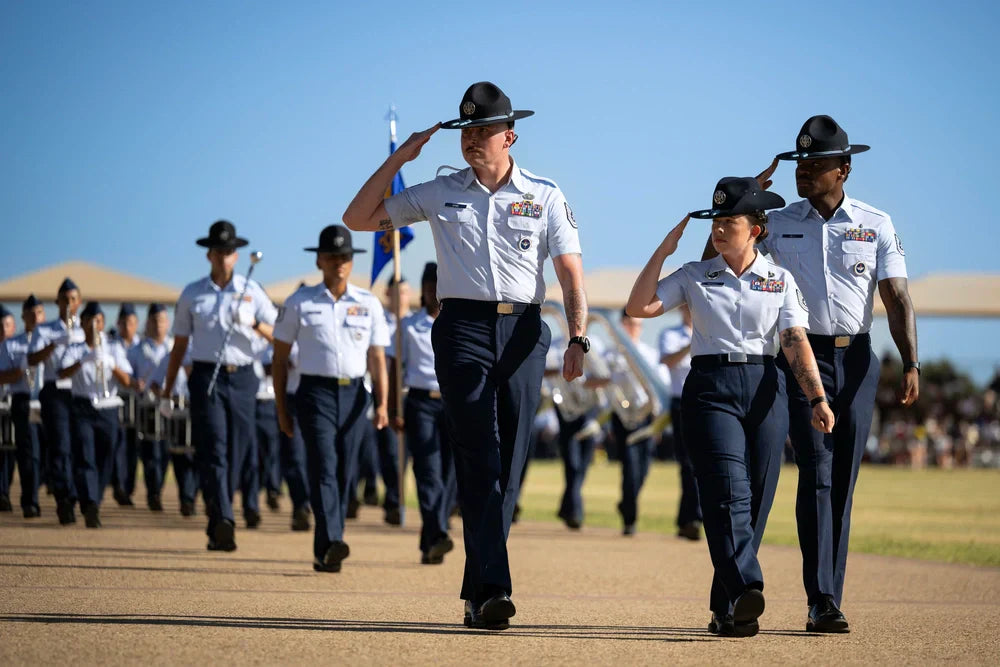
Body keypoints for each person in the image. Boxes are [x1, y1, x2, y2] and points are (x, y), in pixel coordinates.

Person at [343, 81, 587, 630]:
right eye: (466, 131)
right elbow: (358, 219)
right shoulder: (438, 191)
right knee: (479, 455)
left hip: (525, 330)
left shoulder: (546, 194)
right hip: (462, 331)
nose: (472, 139)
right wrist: (402, 158)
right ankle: (495, 587)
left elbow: (570, 272)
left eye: (483, 131)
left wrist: (577, 337)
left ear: (510, 136)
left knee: (510, 463)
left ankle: (478, 585)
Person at [626, 176, 834, 637]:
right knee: (727, 493)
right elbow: (639, 306)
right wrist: (662, 251)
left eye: (729, 221)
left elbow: (794, 339)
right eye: (716, 221)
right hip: (710, 388)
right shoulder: (697, 275)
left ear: (755, 229)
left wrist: (817, 397)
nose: (719, 229)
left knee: (757, 497)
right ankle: (746, 586)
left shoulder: (780, 279)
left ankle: (728, 606)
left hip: (765, 384)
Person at [760, 116, 919, 632]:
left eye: (815, 165)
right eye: (799, 164)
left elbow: (896, 297)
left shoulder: (877, 223)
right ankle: (821, 599)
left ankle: (829, 594)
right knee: (817, 472)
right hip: (799, 359)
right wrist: (743, 200)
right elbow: (724, 260)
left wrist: (911, 361)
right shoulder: (779, 220)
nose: (803, 173)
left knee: (842, 479)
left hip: (857, 361)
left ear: (843, 169)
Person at [273, 225, 390, 573]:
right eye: (332, 257)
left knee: (343, 473)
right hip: (314, 394)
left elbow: (378, 359)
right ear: (320, 260)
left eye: (345, 257)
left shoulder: (368, 304)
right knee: (323, 466)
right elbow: (279, 360)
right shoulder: (299, 302)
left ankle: (324, 549)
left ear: (351, 262)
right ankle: (334, 538)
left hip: (355, 394)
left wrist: (383, 403)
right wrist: (282, 408)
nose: (339, 263)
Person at [161, 220, 277, 552]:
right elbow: (179, 346)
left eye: (230, 252)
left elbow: (279, 333)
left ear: (237, 257)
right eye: (219, 252)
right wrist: (168, 390)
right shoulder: (192, 294)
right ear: (209, 255)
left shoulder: (252, 291)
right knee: (214, 448)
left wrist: (253, 323)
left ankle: (217, 523)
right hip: (205, 375)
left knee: (237, 453)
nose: (224, 258)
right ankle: (225, 517)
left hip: (243, 378)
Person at [395, 262, 456, 564]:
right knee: (428, 472)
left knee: (450, 474)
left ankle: (431, 537)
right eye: (428, 287)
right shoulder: (408, 326)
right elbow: (396, 369)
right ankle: (438, 532)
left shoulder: (457, 324)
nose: (433, 293)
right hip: (420, 402)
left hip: (453, 401)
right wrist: (394, 407)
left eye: (437, 287)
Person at [59, 301, 134, 528]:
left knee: (106, 456)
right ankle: (90, 504)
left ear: (103, 323)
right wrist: (83, 360)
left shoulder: (114, 348)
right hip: (83, 407)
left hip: (108, 407)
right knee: (85, 455)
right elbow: (61, 372)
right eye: (89, 320)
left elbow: (128, 380)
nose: (94, 325)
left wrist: (111, 365)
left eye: (98, 320)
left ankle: (92, 497)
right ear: (81, 323)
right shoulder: (74, 348)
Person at [608, 309, 668, 536]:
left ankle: (626, 503)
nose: (635, 329)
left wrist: (659, 420)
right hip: (623, 416)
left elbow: (660, 386)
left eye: (638, 325)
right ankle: (630, 519)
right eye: (631, 324)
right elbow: (595, 379)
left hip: (647, 416)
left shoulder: (649, 354)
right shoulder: (611, 355)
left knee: (644, 467)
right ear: (622, 324)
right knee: (631, 466)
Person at [29, 277, 83, 524]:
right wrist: (54, 345)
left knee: (81, 446)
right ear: (57, 302)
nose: (69, 304)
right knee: (61, 445)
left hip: (81, 392)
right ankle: (64, 497)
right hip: (55, 391)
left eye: (73, 299)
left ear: (79, 302)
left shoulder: (87, 328)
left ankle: (78, 493)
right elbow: (32, 359)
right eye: (64, 299)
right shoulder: (45, 329)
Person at [659, 304, 703, 540]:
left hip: (707, 402)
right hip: (681, 403)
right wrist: (690, 344)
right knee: (687, 463)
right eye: (686, 307)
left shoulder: (709, 333)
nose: (690, 311)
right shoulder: (670, 335)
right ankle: (691, 518)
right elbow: (667, 361)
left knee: (702, 463)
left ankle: (689, 518)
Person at [0, 296, 46, 517]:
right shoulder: (12, 344)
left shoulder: (51, 342)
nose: (35, 318)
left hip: (48, 401)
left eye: (39, 313)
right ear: (23, 317)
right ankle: (30, 500)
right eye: (30, 313)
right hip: (24, 400)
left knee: (49, 451)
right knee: (30, 451)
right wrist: (20, 369)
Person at [127, 303, 172, 511]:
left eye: (162, 320)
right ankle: (153, 493)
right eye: (154, 321)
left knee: (165, 452)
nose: (158, 325)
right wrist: (136, 383)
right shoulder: (137, 350)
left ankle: (158, 489)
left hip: (170, 405)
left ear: (168, 323)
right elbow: (128, 375)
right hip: (148, 406)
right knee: (151, 452)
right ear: (148, 323)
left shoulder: (174, 347)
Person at [110, 303, 141, 507]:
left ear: (136, 324)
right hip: (119, 399)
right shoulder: (111, 345)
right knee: (118, 445)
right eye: (124, 323)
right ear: (118, 323)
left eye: (131, 322)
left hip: (138, 401)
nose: (127, 327)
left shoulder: (142, 346)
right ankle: (119, 486)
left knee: (133, 447)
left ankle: (128, 487)